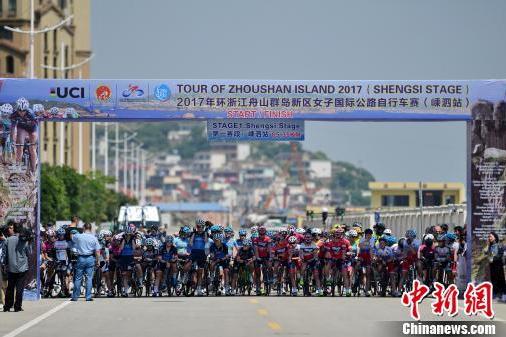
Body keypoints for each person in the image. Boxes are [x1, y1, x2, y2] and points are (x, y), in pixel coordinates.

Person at [2, 222, 32, 312]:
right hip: (22, 267)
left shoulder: (8, 240)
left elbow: (5, 254)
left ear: (13, 229)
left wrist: (5, 264)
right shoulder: (24, 240)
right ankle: (17, 306)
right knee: (19, 288)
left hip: (11, 267)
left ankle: (7, 306)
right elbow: (28, 253)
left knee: (10, 288)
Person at [70, 223, 101, 301]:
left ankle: (75, 297)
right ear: (90, 228)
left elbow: (72, 238)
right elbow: (97, 251)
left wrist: (71, 232)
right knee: (89, 278)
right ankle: (88, 297)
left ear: (84, 228)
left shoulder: (78, 236)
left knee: (78, 278)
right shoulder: (94, 238)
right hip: (90, 258)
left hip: (81, 258)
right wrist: (98, 261)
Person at [485, 232, 506, 301]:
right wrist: (488, 245)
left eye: (491, 236)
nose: (489, 238)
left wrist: (493, 258)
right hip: (492, 265)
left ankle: (503, 294)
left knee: (500, 279)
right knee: (494, 279)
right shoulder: (490, 246)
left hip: (498, 265)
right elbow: (486, 253)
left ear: (495, 237)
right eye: (489, 237)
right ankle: (496, 294)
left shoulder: (499, 245)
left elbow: (500, 255)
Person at [0, 226, 6, 305]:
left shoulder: (6, 241)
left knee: (5, 284)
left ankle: (7, 301)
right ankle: (2, 301)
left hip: (4, 265)